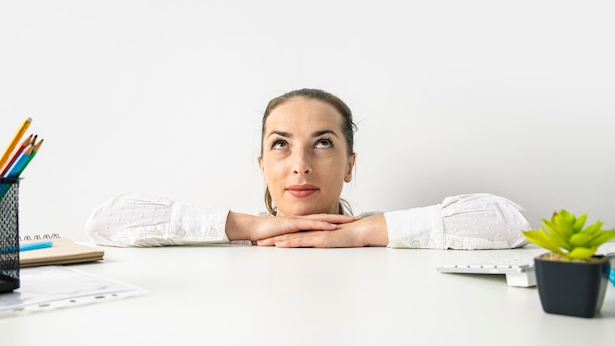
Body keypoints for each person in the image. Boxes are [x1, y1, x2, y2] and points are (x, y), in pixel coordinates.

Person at [85, 88, 532, 249]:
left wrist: (360, 232)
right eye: (281, 145)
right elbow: (105, 221)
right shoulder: (230, 236)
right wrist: (248, 227)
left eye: (323, 143)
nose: (300, 166)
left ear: (349, 165)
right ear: (262, 166)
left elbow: (511, 224)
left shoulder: (382, 234)